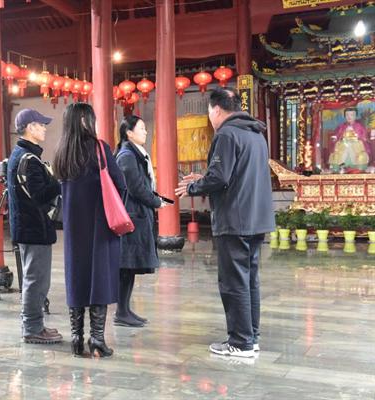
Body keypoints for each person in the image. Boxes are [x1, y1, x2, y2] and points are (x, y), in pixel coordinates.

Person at [175, 87, 275, 358]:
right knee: (250, 280)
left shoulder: (227, 134)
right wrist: (204, 177)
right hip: (256, 218)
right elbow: (235, 174)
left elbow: (220, 178)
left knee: (233, 282)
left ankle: (240, 343)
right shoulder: (255, 134)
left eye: (209, 112)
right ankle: (251, 337)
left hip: (235, 220)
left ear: (217, 109)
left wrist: (194, 187)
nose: (210, 117)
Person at [53, 102, 126, 357]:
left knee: (76, 277)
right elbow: (120, 183)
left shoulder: (62, 152)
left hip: (74, 229)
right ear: (85, 121)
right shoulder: (99, 148)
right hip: (100, 225)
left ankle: (76, 338)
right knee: (100, 278)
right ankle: (97, 339)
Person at [7, 108, 63, 344]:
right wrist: (59, 182)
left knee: (37, 279)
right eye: (41, 125)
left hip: (30, 227)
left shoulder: (22, 155)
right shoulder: (28, 160)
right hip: (34, 228)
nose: (44, 129)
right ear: (30, 127)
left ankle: (35, 324)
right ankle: (31, 328)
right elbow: (39, 195)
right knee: (36, 280)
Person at [114, 115, 167, 327]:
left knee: (129, 267)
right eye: (142, 128)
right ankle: (121, 312)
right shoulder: (127, 156)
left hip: (136, 215)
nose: (146, 131)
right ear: (129, 133)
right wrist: (156, 202)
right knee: (125, 266)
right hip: (131, 217)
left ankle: (125, 310)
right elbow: (136, 188)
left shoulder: (135, 154)